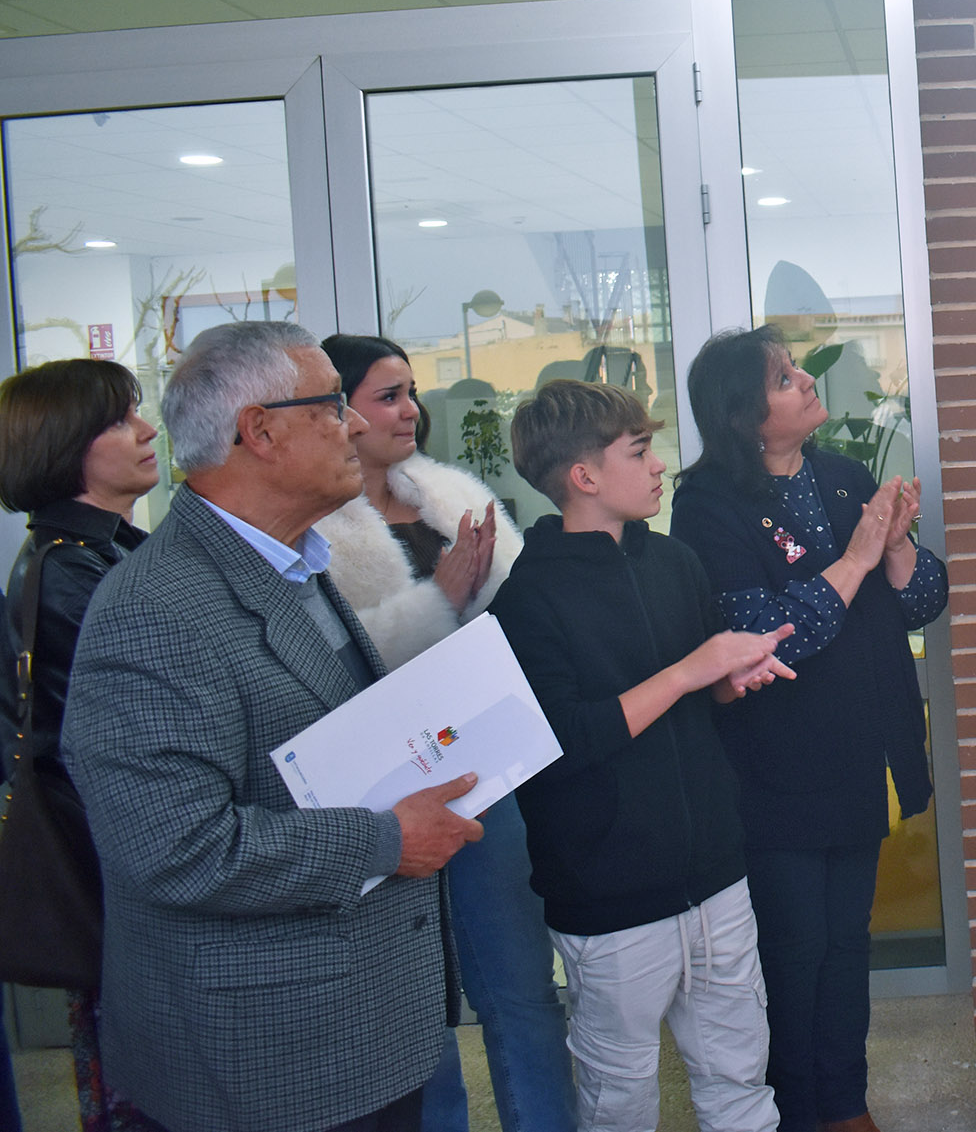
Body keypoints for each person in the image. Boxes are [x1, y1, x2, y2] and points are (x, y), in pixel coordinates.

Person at [60, 320, 484, 1132]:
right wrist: (389, 838)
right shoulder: (153, 608)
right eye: (331, 405)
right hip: (267, 1059)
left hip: (359, 1025)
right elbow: (177, 846)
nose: (353, 425)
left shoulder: (294, 563)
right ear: (259, 431)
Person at [487, 379, 794, 1132]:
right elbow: (561, 744)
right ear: (584, 476)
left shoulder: (675, 562)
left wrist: (726, 680)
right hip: (610, 902)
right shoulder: (527, 596)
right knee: (619, 1103)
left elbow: (693, 699)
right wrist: (692, 670)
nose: (659, 465)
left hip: (716, 875)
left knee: (741, 1081)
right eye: (638, 451)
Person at [669, 327, 946, 1132]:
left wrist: (896, 547)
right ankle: (796, 1110)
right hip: (777, 769)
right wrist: (857, 557)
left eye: (795, 370)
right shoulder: (709, 503)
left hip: (861, 752)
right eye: (784, 377)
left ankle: (845, 1102)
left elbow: (924, 599)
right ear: (743, 414)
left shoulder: (844, 476)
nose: (804, 381)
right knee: (795, 952)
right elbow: (765, 636)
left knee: (848, 945)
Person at [313, 335, 573, 1132]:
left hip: (485, 773)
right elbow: (329, 668)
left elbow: (526, 624)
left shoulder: (450, 496)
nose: (411, 410)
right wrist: (440, 597)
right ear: (339, 410)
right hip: (384, 794)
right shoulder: (314, 527)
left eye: (412, 392)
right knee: (414, 1005)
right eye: (389, 395)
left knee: (521, 985)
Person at [0, 359, 159, 1132]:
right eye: (120, 420)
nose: (147, 430)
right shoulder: (70, 570)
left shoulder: (103, 551)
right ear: (67, 444)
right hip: (116, 877)